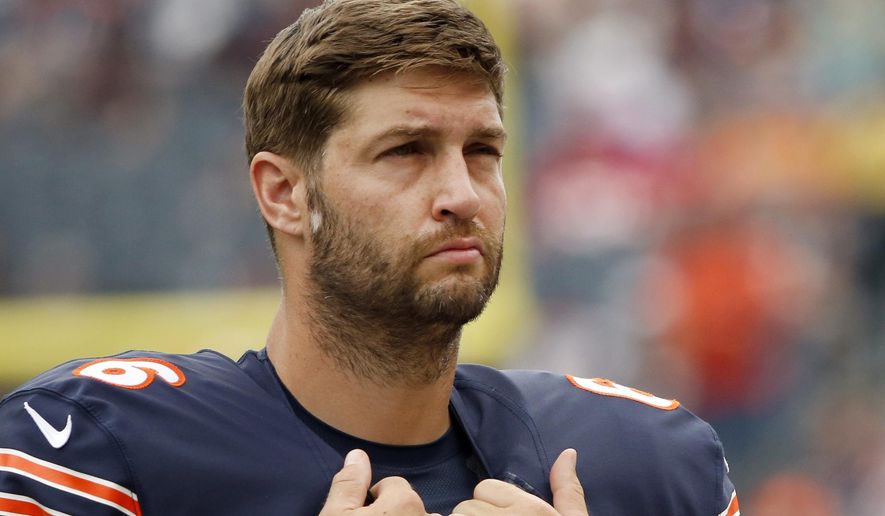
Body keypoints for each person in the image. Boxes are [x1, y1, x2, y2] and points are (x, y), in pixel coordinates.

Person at [0, 1, 739, 514]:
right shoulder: (93, 450)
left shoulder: (644, 461)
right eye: (405, 152)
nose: (461, 193)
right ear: (284, 193)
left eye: (481, 152)